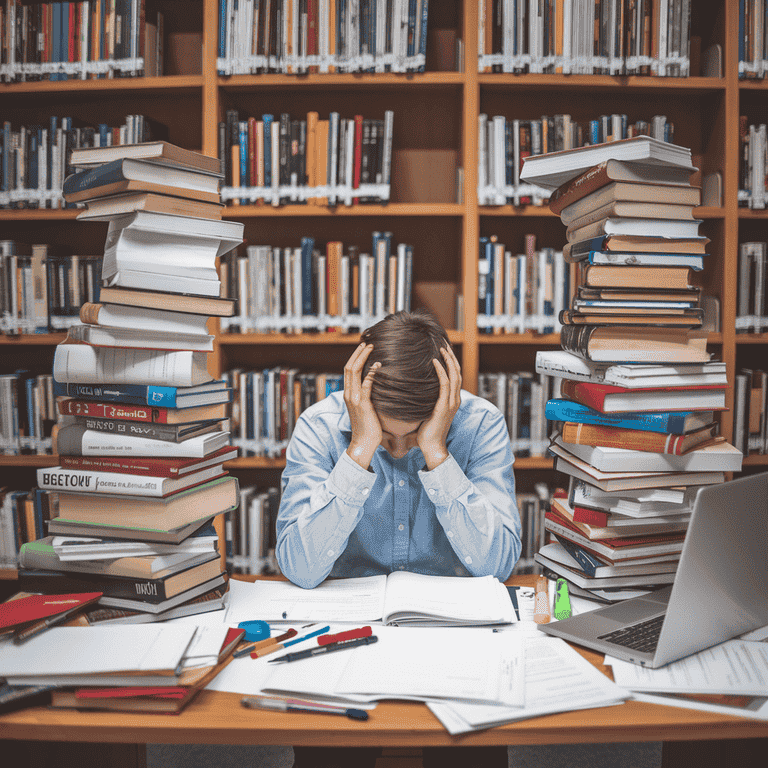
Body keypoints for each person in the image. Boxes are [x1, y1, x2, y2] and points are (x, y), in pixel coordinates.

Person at [275, 309, 522, 768]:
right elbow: (299, 566)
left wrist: (437, 451)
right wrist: (359, 448)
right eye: (387, 433)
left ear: (444, 407)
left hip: (454, 642)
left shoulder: (480, 423)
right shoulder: (320, 427)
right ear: (358, 399)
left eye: (413, 435)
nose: (398, 449)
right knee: (329, 754)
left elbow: (498, 563)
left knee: (472, 755)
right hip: (345, 638)